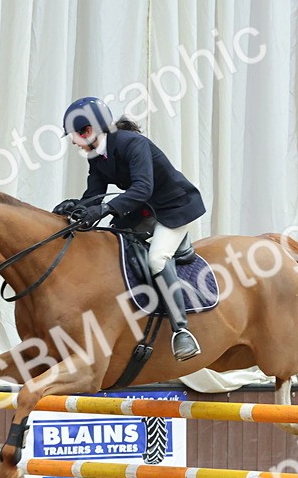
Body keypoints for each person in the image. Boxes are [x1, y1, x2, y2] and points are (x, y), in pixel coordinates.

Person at [52, 97, 206, 361]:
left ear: (87, 131)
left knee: (157, 259)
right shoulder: (97, 156)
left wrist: (103, 210)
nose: (73, 143)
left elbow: (142, 187)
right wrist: (76, 208)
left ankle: (182, 331)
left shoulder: (131, 144)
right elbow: (95, 194)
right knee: (113, 242)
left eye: (73, 137)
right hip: (143, 210)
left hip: (173, 208)